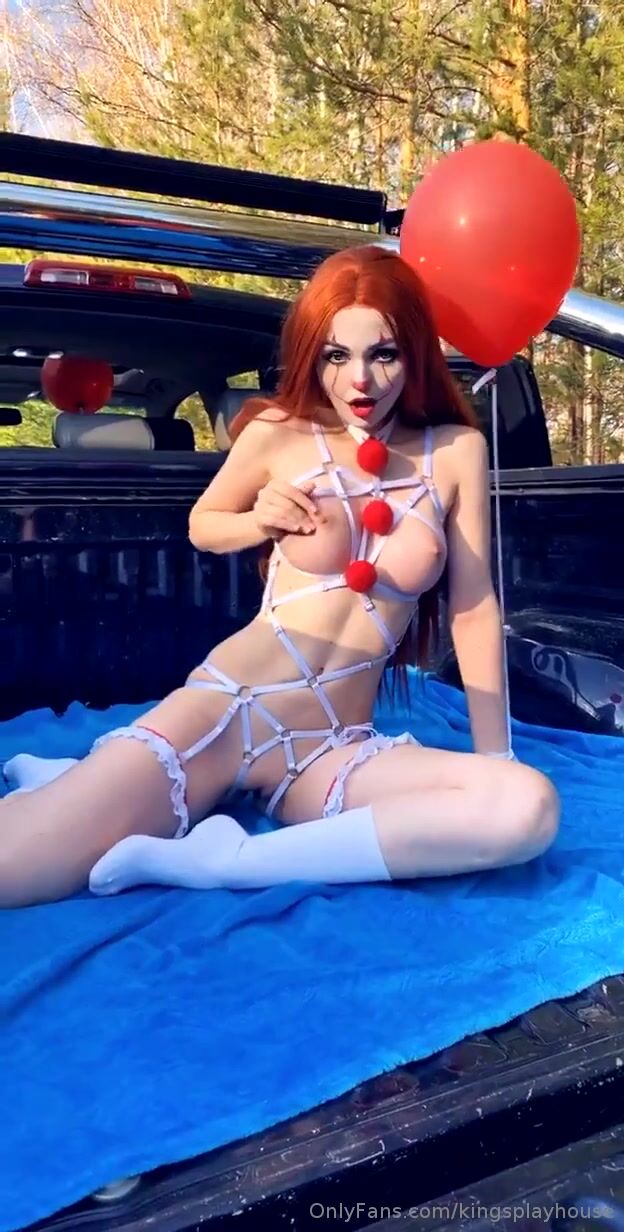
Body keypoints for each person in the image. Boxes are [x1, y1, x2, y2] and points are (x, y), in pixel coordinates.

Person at [0, 246, 559, 908]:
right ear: (311, 356)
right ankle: (74, 783)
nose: (360, 379)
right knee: (15, 872)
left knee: (524, 807)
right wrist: (257, 520)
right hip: (230, 708)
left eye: (384, 354)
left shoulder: (457, 451)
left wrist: (495, 757)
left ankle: (227, 860)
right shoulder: (277, 433)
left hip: (335, 748)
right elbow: (204, 525)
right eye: (335, 355)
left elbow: (473, 608)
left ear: (415, 353)